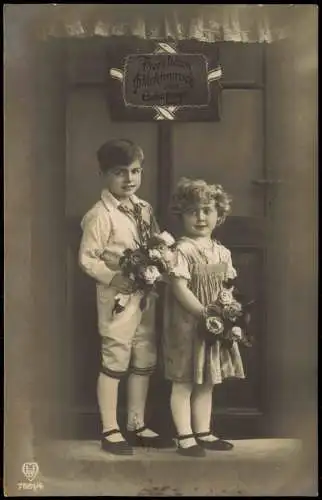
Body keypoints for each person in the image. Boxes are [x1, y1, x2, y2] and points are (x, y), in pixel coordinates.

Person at [79, 139, 167, 455]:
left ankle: (136, 423)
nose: (129, 179)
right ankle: (110, 428)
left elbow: (154, 241)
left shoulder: (144, 209)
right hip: (117, 298)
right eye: (120, 173)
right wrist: (114, 276)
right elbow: (88, 258)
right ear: (103, 174)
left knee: (143, 357)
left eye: (135, 171)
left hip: (145, 294)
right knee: (116, 357)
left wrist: (162, 254)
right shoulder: (99, 215)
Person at [163, 177, 245, 457]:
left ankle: (204, 431)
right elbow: (179, 288)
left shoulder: (222, 251)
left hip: (214, 326)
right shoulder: (181, 250)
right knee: (184, 380)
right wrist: (204, 313)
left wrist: (228, 307)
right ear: (182, 215)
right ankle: (185, 436)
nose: (200, 217)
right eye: (192, 211)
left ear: (219, 215)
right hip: (188, 325)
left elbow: (226, 287)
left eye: (207, 210)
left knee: (207, 380)